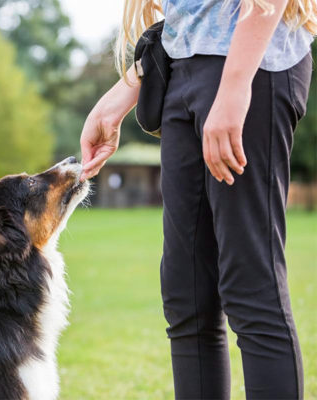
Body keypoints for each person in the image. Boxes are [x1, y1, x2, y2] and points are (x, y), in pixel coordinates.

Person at [79, 0, 315, 399]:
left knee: (251, 287)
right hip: (182, 73)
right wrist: (125, 90)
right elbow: (190, 15)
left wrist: (235, 87)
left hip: (252, 66)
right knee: (186, 295)